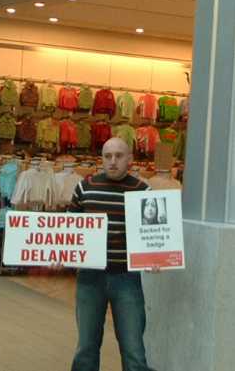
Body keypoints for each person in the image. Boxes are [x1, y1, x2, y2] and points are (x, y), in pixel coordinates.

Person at [70, 137, 154, 371]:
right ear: (102, 159)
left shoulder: (143, 191)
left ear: (130, 159)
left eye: (119, 156)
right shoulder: (84, 188)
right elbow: (68, 230)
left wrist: (155, 256)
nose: (113, 161)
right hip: (89, 277)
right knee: (86, 348)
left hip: (127, 278)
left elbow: (153, 234)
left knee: (134, 350)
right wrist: (62, 254)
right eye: (108, 156)